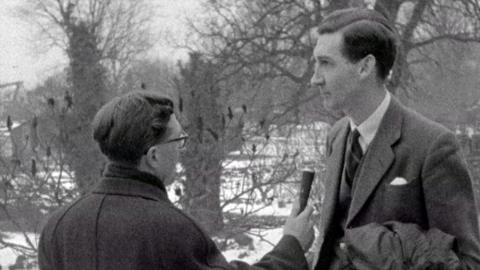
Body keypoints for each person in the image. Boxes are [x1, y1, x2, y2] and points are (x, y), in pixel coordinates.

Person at [38, 91, 314, 270]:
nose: (182, 150)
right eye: (179, 140)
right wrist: (292, 245)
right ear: (154, 156)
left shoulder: (57, 226)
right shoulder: (171, 229)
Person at [310, 7, 480, 270]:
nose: (315, 79)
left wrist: (382, 246)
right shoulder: (337, 136)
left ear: (365, 67)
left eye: (326, 63)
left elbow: (468, 263)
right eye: (315, 63)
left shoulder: (433, 146)